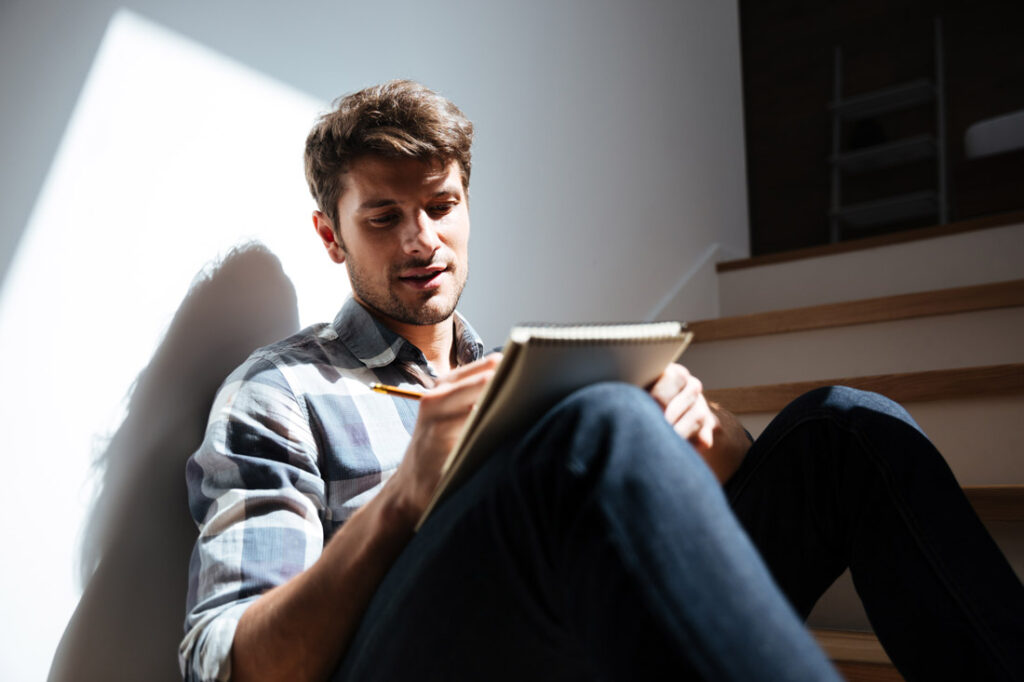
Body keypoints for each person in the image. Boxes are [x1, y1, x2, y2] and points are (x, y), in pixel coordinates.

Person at [180, 80, 1023, 681]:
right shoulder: (279, 392)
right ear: (332, 236)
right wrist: (404, 500)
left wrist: (710, 440)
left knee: (843, 428)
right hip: (421, 652)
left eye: (440, 205)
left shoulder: (513, 373)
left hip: (575, 625)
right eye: (385, 217)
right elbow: (230, 662)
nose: (422, 240)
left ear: (467, 203)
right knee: (599, 426)